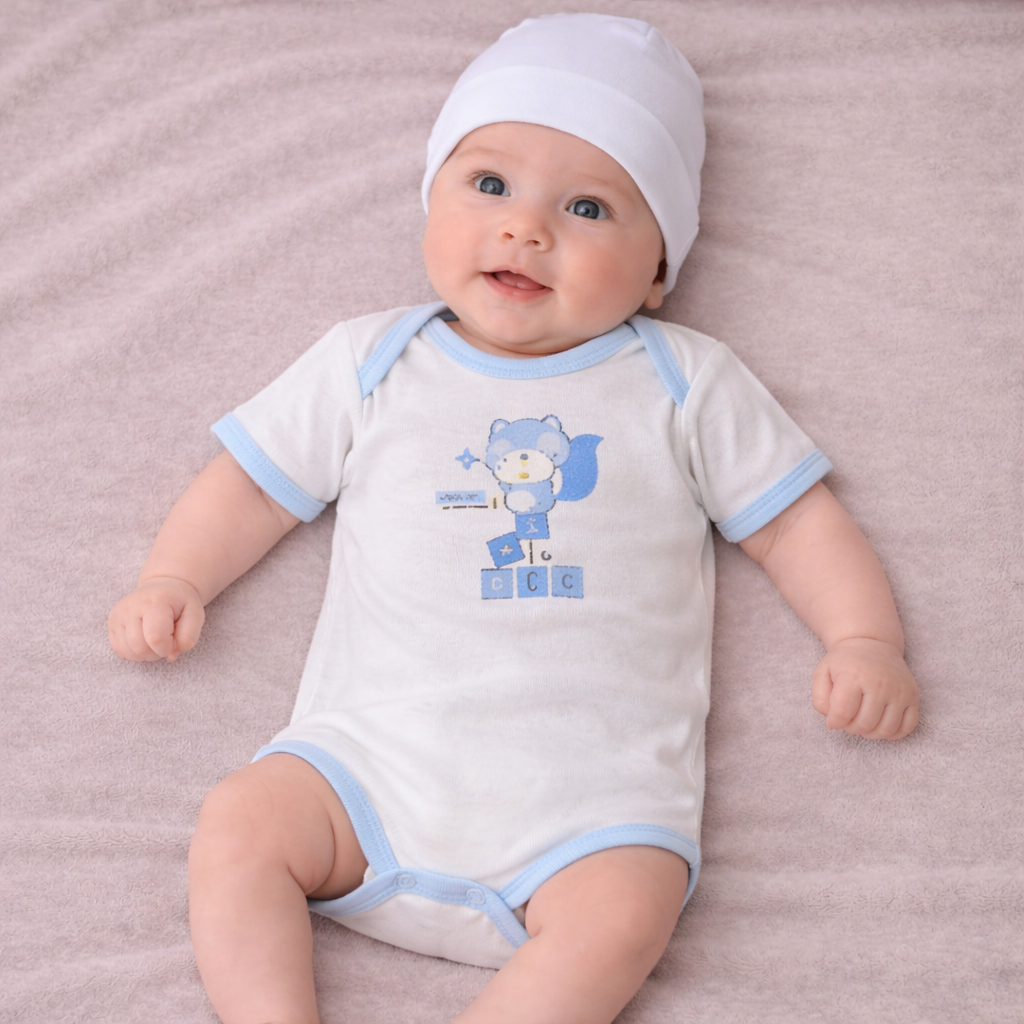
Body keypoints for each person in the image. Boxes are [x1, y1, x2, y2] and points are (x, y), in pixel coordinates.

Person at [108, 14, 919, 1024]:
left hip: (591, 810)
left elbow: (795, 524)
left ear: (658, 270)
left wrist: (864, 638)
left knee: (626, 912)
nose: (526, 229)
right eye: (489, 184)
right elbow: (251, 486)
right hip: (366, 772)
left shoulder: (683, 381)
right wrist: (174, 577)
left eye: (587, 207)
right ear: (431, 201)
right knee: (238, 823)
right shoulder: (373, 360)